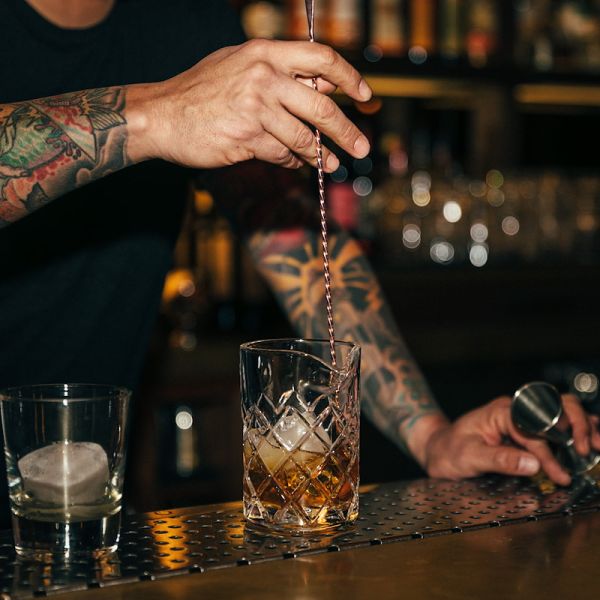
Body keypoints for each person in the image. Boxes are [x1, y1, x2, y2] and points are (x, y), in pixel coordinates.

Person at [1, 0, 598, 495]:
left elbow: (306, 252)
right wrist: (159, 114)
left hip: (86, 485)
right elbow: (169, 114)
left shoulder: (186, 22)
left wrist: (431, 436)